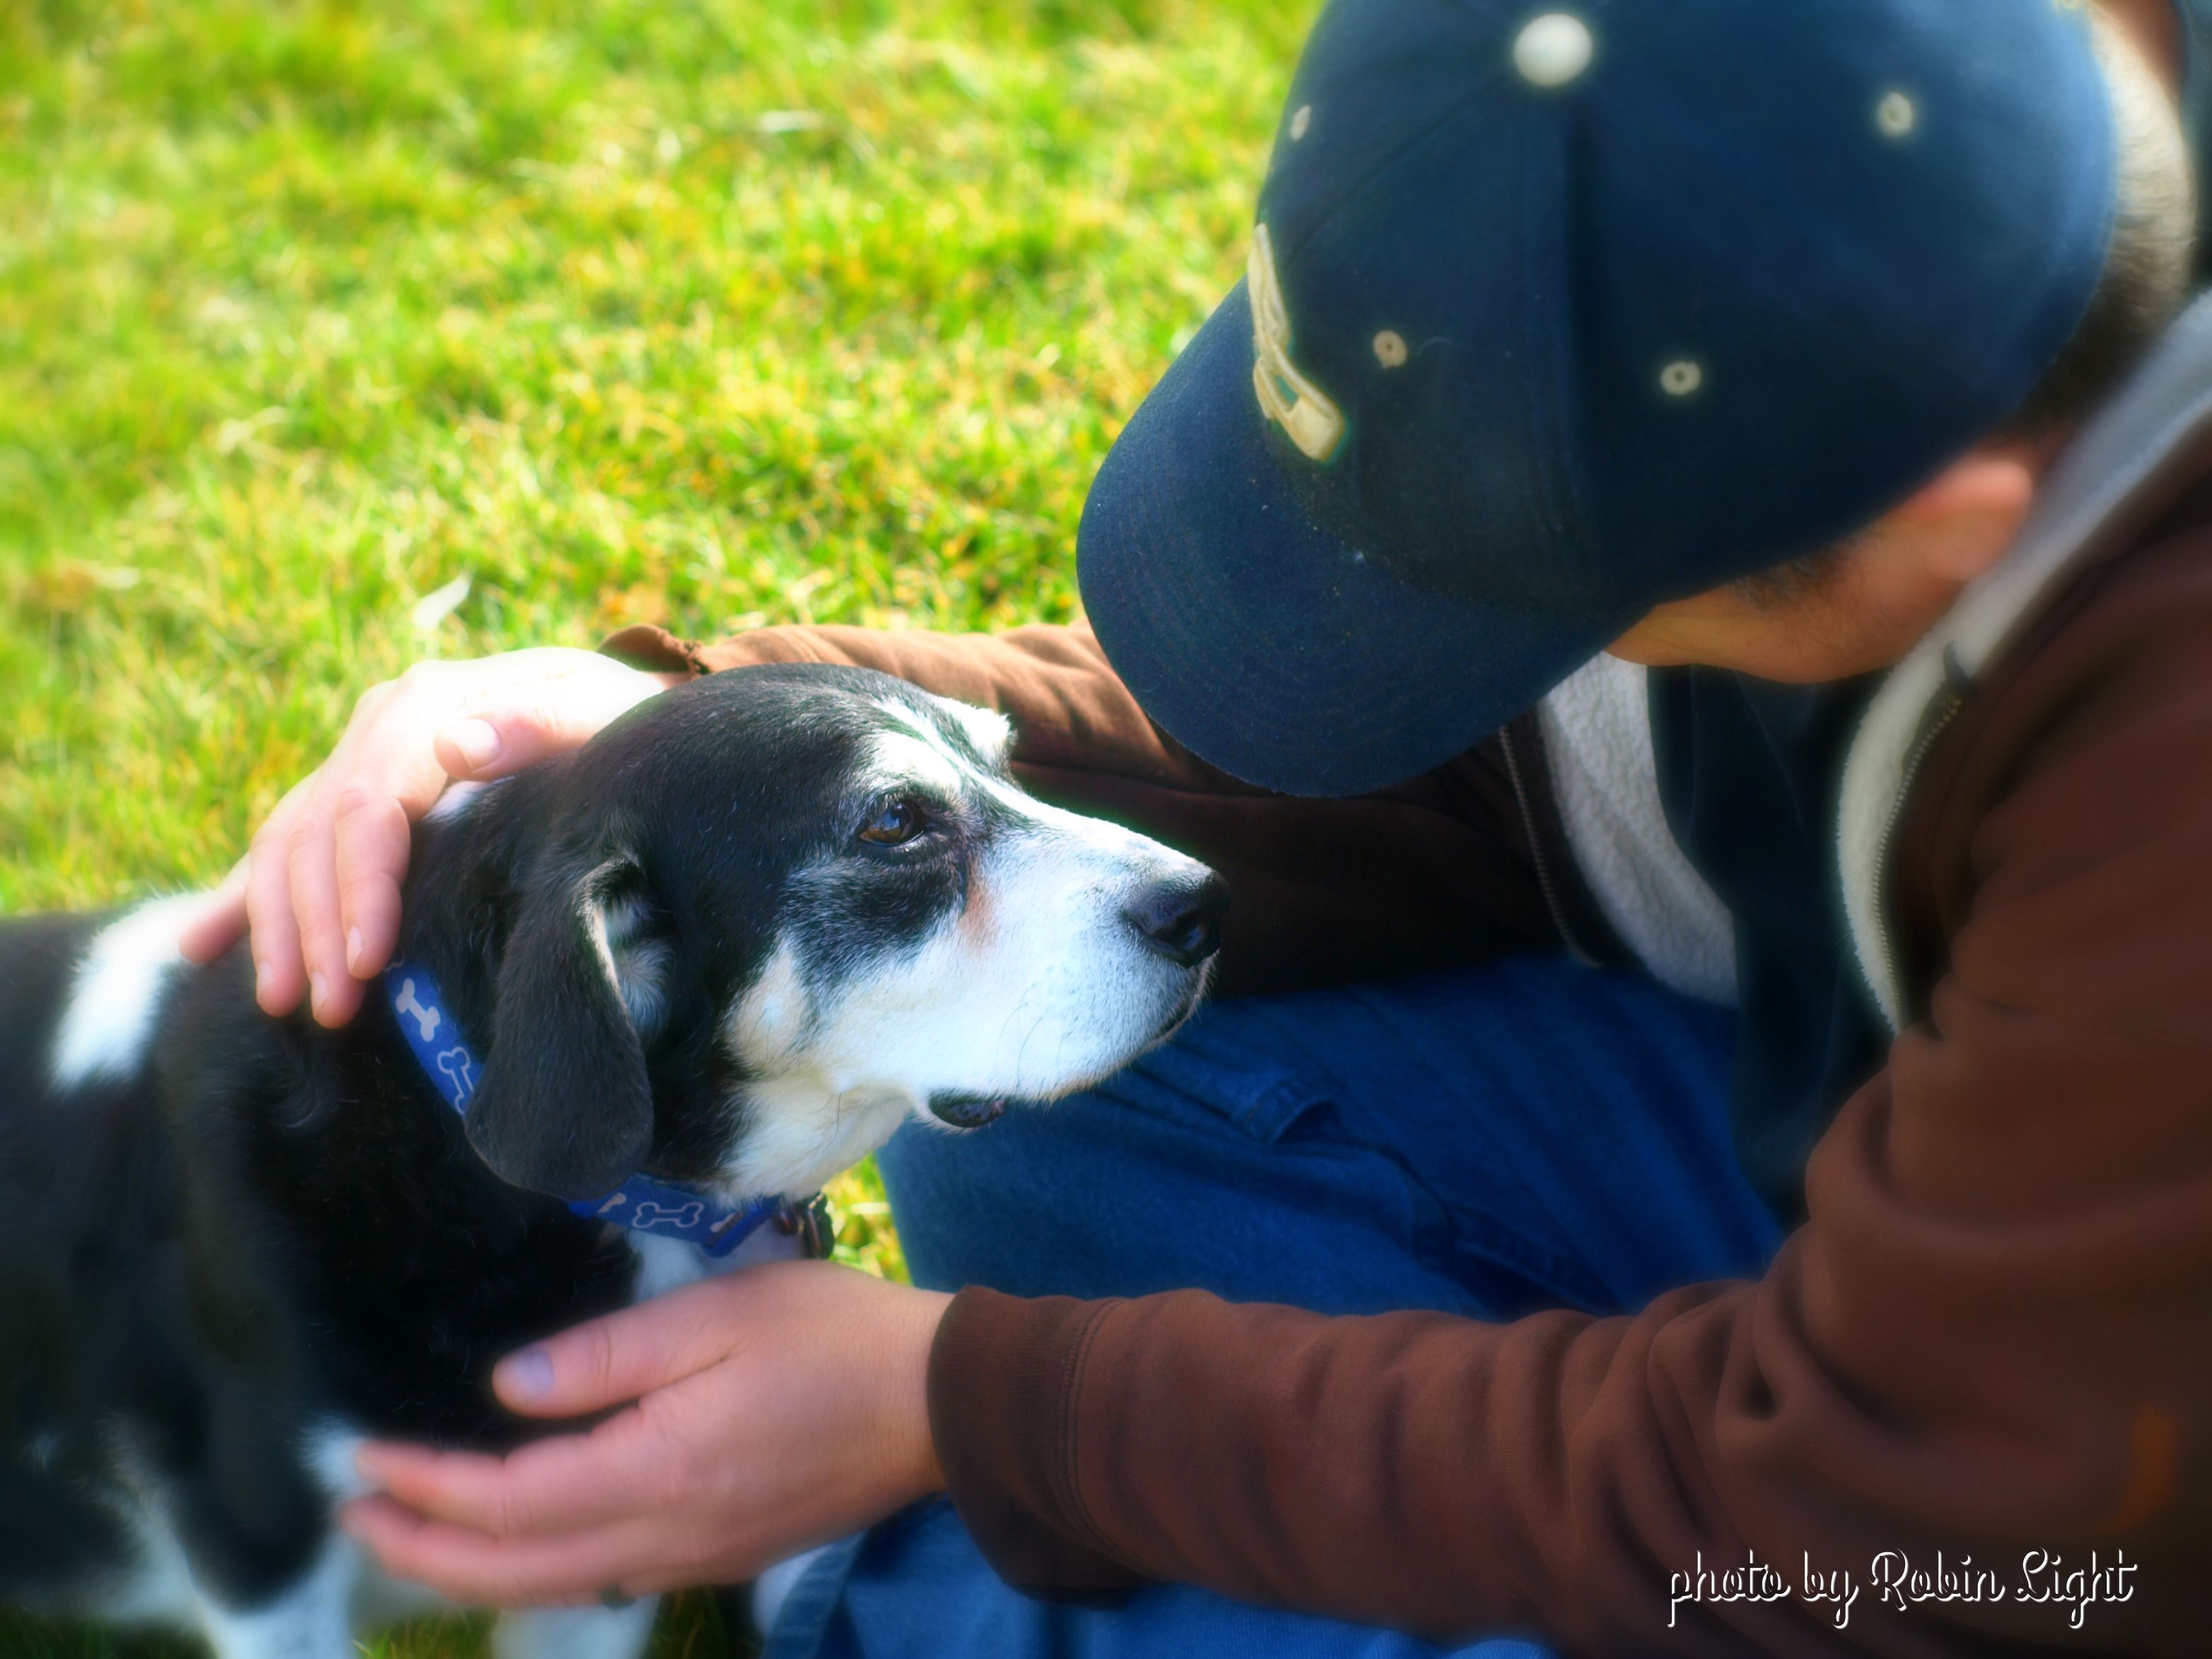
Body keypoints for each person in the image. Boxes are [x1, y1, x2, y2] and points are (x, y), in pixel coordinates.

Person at [180, 0, 2212, 1651]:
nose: (1432, 628)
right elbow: (1468, 759)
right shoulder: (1838, 189)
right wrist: (692, 724)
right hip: (1907, 1180)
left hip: (2062, 1531)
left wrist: (968, 1407)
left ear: (1938, 533)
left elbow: (1912, 1518)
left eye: (1519, 591)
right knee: (1041, 1033)